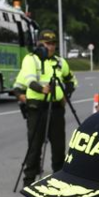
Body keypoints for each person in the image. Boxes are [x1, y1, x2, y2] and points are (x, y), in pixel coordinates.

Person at [15, 29, 75, 186]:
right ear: (39, 44)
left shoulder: (60, 62)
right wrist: (42, 89)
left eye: (53, 44)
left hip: (56, 108)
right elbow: (29, 80)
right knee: (34, 146)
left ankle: (59, 180)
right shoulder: (31, 59)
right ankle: (29, 181)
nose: (51, 47)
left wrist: (64, 94)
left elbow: (71, 80)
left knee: (59, 146)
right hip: (37, 108)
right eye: (47, 44)